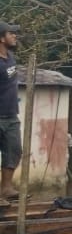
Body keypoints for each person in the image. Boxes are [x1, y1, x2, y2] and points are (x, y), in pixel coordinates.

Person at [0, 22, 23, 205]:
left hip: (11, 115)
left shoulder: (10, 57)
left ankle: (6, 188)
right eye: (11, 33)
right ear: (1, 38)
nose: (15, 36)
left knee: (14, 150)